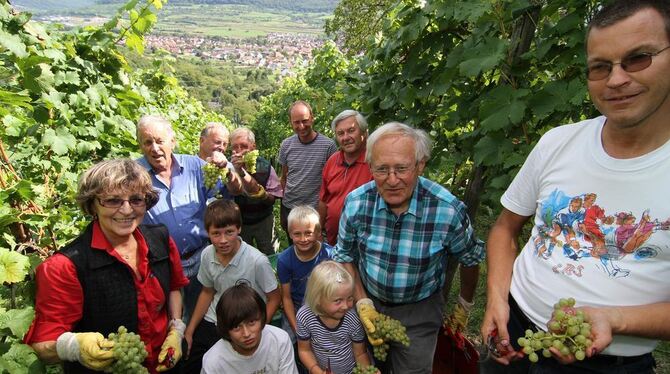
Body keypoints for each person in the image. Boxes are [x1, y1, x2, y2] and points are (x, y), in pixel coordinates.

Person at [481, 1, 670, 373]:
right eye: (600, 67)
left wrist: (616, 318)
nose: (616, 79)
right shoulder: (557, 142)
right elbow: (505, 229)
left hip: (607, 363)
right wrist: (497, 300)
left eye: (638, 59)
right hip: (513, 334)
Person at [333, 122, 485, 374]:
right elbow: (344, 255)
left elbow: (470, 258)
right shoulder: (357, 203)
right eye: (382, 169)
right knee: (368, 366)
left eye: (401, 168)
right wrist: (362, 303)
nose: (392, 180)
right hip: (369, 302)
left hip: (420, 310)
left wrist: (464, 305)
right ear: (370, 167)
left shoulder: (446, 210)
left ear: (420, 165)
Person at [24, 159, 189, 373]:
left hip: (162, 364)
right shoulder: (65, 266)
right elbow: (43, 344)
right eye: (113, 201)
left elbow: (174, 287)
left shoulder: (160, 238)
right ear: (92, 204)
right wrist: (74, 346)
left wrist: (176, 328)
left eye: (137, 199)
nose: (127, 209)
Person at [135, 115, 240, 323]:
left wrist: (227, 171)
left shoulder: (195, 166)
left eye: (159, 141)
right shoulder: (134, 174)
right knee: (168, 319)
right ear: (140, 145)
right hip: (160, 263)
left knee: (201, 313)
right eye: (147, 142)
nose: (154, 148)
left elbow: (234, 190)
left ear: (172, 142)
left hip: (200, 258)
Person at [182, 199, 281, 374]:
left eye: (229, 232)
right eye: (216, 234)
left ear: (239, 229)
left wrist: (258, 327)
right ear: (208, 233)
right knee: (191, 363)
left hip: (245, 321)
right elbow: (207, 291)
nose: (223, 240)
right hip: (215, 319)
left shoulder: (257, 261)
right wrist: (190, 329)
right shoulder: (207, 254)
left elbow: (274, 297)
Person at [277, 205, 333, 373]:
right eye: (297, 234)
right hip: (296, 306)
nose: (303, 239)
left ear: (317, 232)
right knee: (289, 339)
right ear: (289, 234)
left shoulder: (329, 255)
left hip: (323, 305)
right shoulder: (285, 260)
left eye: (308, 233)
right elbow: (285, 297)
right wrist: (298, 328)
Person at [201, 283, 298, 374]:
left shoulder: (279, 340)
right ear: (226, 329)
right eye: (236, 327)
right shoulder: (213, 362)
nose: (246, 334)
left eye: (251, 322)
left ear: (262, 318)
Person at [296, 261, 374, 374]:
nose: (346, 306)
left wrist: (368, 371)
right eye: (338, 301)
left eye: (350, 298)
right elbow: (304, 350)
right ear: (318, 299)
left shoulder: (352, 317)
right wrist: (317, 371)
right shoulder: (305, 317)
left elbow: (360, 353)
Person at [278, 100, 338, 243]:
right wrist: (282, 209)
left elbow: (333, 182)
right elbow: (284, 178)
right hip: (290, 208)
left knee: (316, 250)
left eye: (305, 121)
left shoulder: (328, 146)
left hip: (315, 211)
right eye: (296, 122)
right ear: (291, 122)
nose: (301, 126)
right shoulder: (286, 145)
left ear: (312, 118)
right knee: (295, 248)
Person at [318, 110, 373, 245]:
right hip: (334, 242)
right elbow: (323, 201)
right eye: (340, 133)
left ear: (364, 133)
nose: (345, 137)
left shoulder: (375, 161)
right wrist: (317, 231)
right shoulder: (332, 161)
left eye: (351, 130)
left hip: (365, 243)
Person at [229, 126, 283, 255]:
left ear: (253, 147)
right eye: (235, 147)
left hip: (263, 220)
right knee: (242, 256)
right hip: (239, 222)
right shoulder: (228, 167)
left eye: (243, 146)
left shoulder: (265, 167)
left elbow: (273, 198)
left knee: (269, 253)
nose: (239, 151)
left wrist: (262, 195)